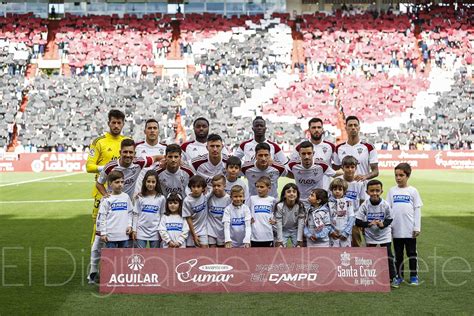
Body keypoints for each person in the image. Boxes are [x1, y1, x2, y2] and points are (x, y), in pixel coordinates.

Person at [88, 138, 157, 283]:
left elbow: (156, 157)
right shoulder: (110, 167)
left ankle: (124, 273)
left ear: (134, 153)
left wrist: (168, 160)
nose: (128, 155)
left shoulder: (139, 162)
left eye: (130, 152)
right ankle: (93, 271)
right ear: (120, 152)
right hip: (110, 207)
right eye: (125, 152)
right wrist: (106, 195)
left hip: (127, 208)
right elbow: (99, 183)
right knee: (100, 239)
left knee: (128, 238)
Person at [86, 109, 128, 246]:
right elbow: (89, 166)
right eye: (113, 122)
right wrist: (107, 167)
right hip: (102, 192)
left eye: (119, 123)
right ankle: (95, 263)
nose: (116, 126)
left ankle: (118, 262)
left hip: (123, 192)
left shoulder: (127, 142)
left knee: (123, 226)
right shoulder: (99, 142)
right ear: (108, 123)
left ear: (123, 124)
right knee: (98, 228)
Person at [355, 180, 399, 288]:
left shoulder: (385, 204)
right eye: (372, 191)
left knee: (389, 256)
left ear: (381, 191)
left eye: (377, 190)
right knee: (370, 256)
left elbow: (390, 218)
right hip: (370, 236)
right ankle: (370, 277)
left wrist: (383, 224)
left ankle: (393, 277)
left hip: (384, 234)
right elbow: (358, 221)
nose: (375, 193)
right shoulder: (365, 205)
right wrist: (369, 224)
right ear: (367, 192)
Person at [387, 163, 423, 286]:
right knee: (398, 254)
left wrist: (417, 227)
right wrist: (389, 226)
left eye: (401, 175)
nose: (398, 178)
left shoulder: (413, 191)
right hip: (396, 229)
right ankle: (399, 276)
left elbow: (417, 209)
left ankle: (414, 276)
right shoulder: (392, 191)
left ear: (407, 176)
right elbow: (389, 209)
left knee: (412, 253)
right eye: (396, 175)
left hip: (409, 229)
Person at [291, 118, 337, 187]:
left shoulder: (330, 146)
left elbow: (337, 165)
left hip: (325, 190)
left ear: (322, 129)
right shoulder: (300, 147)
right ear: (309, 130)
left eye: (319, 127)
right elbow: (292, 167)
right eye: (313, 127)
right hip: (305, 190)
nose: (316, 130)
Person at [333, 116, 379, 182]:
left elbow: (376, 171)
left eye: (355, 125)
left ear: (359, 128)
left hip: (362, 187)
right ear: (346, 128)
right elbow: (336, 170)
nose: (353, 127)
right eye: (350, 125)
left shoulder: (369, 147)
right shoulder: (338, 148)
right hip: (345, 188)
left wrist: (365, 176)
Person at [97, 170, 133, 249]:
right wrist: (103, 233)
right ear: (110, 183)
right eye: (117, 182)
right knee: (111, 259)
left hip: (124, 235)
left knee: (124, 259)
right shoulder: (107, 199)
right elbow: (102, 217)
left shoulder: (126, 197)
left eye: (122, 182)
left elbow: (130, 213)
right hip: (110, 237)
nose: (120, 184)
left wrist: (130, 225)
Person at [132, 170, 166, 248]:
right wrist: (134, 230)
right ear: (144, 182)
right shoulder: (139, 197)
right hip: (140, 231)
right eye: (148, 181)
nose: (150, 184)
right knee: (140, 256)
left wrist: (161, 230)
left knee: (155, 256)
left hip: (155, 232)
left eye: (153, 182)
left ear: (157, 183)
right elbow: (136, 214)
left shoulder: (161, 198)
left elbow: (162, 215)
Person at [338, 155, 367, 247]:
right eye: (347, 167)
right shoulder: (337, 181)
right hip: (340, 217)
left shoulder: (360, 183)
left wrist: (360, 218)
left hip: (354, 217)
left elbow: (362, 201)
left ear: (356, 168)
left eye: (352, 167)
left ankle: (357, 260)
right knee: (339, 242)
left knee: (356, 243)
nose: (350, 170)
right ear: (342, 168)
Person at [134, 119, 167, 194]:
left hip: (160, 192)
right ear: (144, 131)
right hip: (139, 192)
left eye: (155, 128)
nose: (152, 130)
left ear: (159, 131)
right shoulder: (137, 147)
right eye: (149, 128)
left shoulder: (165, 148)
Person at [274, 183, 305, 247]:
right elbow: (279, 223)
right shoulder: (280, 206)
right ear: (284, 195)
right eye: (288, 192)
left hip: (295, 230)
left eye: (294, 192)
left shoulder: (300, 206)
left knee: (299, 248)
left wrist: (299, 239)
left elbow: (301, 223)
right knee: (279, 248)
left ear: (297, 195)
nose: (291, 194)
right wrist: (279, 240)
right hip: (283, 229)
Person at [248, 176, 276, 247]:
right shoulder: (252, 199)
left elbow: (277, 214)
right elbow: (245, 211)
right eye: (257, 187)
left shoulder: (272, 200)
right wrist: (248, 218)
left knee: (268, 257)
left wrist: (274, 220)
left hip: (268, 236)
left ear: (269, 188)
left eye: (262, 187)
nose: (259, 189)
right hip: (254, 236)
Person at [182, 175, 209, 248]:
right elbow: (188, 218)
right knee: (190, 254)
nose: (196, 189)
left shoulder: (205, 197)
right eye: (193, 187)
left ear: (203, 188)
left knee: (205, 251)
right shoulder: (187, 201)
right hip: (191, 231)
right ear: (190, 188)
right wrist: (194, 235)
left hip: (203, 230)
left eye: (198, 187)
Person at [328, 178, 355, 248]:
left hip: (345, 234)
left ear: (344, 191)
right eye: (335, 189)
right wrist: (331, 231)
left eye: (340, 189)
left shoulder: (348, 202)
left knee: (345, 255)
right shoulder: (328, 203)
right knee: (333, 254)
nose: (337, 191)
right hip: (333, 234)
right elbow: (326, 219)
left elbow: (351, 217)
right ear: (331, 190)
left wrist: (346, 232)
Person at [207, 175, 231, 248]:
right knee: (212, 250)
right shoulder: (209, 197)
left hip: (223, 229)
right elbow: (202, 200)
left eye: (219, 185)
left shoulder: (229, 199)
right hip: (211, 229)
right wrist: (210, 192)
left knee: (222, 252)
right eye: (214, 186)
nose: (216, 188)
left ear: (224, 186)